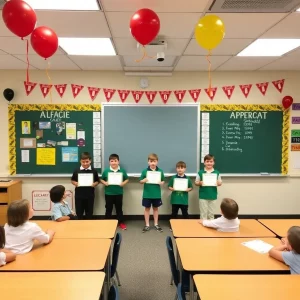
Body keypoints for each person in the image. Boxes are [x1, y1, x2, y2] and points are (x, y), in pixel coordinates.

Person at [100, 154, 129, 230]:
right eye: (111, 161)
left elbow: (127, 179)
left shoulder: (122, 171)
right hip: (109, 193)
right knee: (108, 208)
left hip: (119, 193)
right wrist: (104, 182)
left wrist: (123, 183)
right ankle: (107, 222)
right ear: (109, 162)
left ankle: (121, 223)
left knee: (119, 208)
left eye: (115, 161)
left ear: (118, 161)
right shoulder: (106, 171)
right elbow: (101, 179)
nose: (113, 163)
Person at [140, 153, 165, 233]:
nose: (153, 163)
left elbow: (163, 180)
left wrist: (161, 183)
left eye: (154, 161)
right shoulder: (144, 171)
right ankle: (147, 225)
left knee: (156, 209)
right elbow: (140, 181)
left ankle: (156, 224)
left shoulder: (160, 171)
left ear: (157, 162)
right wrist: (143, 181)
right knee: (147, 209)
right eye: (151, 161)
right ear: (148, 162)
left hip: (156, 194)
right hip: (147, 194)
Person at [71, 152, 99, 220]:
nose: (85, 163)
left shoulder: (94, 170)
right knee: (79, 212)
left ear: (90, 161)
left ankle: (88, 226)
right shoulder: (77, 170)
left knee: (89, 212)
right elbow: (72, 180)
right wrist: (75, 183)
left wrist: (95, 184)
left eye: (87, 161)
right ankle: (79, 227)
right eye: (83, 162)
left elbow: (97, 181)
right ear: (80, 161)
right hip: (79, 195)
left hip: (90, 195)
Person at [195, 154, 222, 220]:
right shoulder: (200, 172)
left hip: (213, 195)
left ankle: (211, 226)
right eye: (207, 161)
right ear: (204, 163)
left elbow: (220, 182)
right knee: (203, 213)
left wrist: (218, 183)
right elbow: (196, 182)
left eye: (211, 161)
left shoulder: (217, 172)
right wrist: (199, 183)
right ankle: (203, 227)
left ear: (214, 163)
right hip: (203, 196)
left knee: (211, 213)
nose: (209, 163)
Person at [168, 161, 193, 228]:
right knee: (174, 213)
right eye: (178, 168)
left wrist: (188, 189)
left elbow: (191, 187)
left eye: (182, 168)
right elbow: (169, 186)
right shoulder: (173, 178)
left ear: (185, 169)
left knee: (185, 213)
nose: (180, 169)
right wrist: (171, 188)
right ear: (176, 169)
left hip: (184, 200)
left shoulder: (187, 178)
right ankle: (172, 226)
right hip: (175, 200)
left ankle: (187, 225)